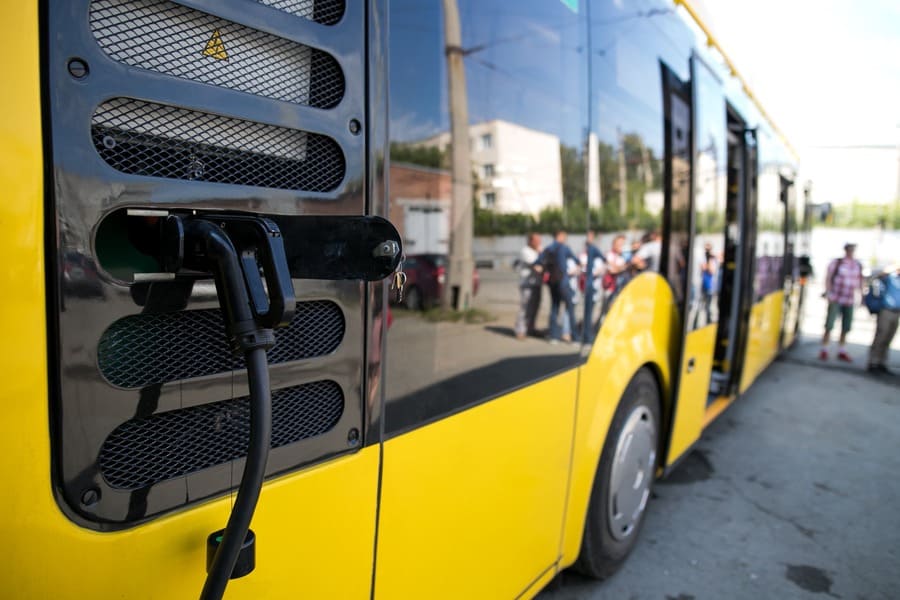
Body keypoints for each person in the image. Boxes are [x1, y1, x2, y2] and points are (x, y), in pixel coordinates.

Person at [820, 242, 864, 362]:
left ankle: (842, 350)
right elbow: (828, 277)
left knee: (846, 327)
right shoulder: (837, 263)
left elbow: (860, 281)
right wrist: (828, 292)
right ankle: (824, 349)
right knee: (829, 325)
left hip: (849, 300)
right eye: (850, 250)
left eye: (853, 250)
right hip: (836, 298)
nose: (851, 252)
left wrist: (862, 297)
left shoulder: (857, 264)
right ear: (845, 250)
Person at [540, 229, 578, 343]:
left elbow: (538, 262)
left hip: (552, 282)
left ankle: (553, 336)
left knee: (554, 308)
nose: (565, 238)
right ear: (560, 236)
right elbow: (577, 260)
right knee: (570, 309)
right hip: (564, 282)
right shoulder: (564, 248)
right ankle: (575, 337)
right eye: (564, 236)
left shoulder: (548, 248)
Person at [867, 263, 900, 375]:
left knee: (889, 338)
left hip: (897, 312)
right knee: (881, 335)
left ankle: (882, 362)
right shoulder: (889, 277)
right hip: (886, 310)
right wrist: (889, 270)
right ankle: (873, 362)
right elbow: (874, 277)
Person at [514, 233, 543, 339]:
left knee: (535, 307)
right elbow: (536, 266)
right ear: (530, 241)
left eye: (540, 240)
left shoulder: (538, 250)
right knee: (525, 307)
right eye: (537, 241)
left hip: (537, 283)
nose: (539, 243)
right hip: (527, 285)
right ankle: (520, 330)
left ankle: (531, 328)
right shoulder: (525, 251)